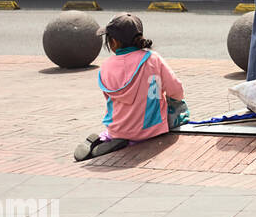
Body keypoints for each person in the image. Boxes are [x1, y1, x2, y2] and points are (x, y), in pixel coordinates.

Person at [74, 13, 185, 161]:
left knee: (117, 119)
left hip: (118, 129)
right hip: (152, 129)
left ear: (113, 42)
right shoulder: (153, 59)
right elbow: (176, 90)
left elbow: (109, 100)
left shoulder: (106, 67)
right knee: (178, 107)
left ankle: (108, 138)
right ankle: (127, 138)